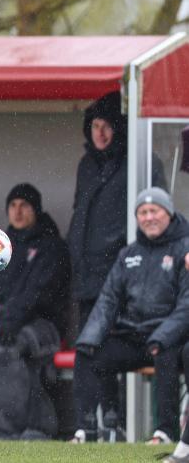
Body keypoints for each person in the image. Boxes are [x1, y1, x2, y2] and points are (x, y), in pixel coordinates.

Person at [72, 188, 189, 445]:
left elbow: (187, 304)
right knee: (90, 353)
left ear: (168, 213)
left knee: (166, 352)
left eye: (154, 211)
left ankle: (165, 432)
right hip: (135, 335)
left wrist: (162, 336)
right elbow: (108, 300)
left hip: (172, 338)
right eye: (143, 212)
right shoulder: (129, 254)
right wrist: (89, 338)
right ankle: (92, 429)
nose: (149, 217)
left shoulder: (185, 249)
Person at [67, 91, 166, 330]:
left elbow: (158, 220)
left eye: (107, 126)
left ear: (119, 128)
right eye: (95, 125)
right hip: (86, 277)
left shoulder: (140, 161)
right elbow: (79, 213)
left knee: (114, 347)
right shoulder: (87, 165)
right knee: (88, 348)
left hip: (121, 276)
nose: (100, 133)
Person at [0, 184, 71, 345]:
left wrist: (11, 320)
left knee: (3, 349)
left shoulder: (52, 247)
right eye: (13, 205)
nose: (18, 211)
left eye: (24, 205)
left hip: (40, 322)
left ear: (35, 209)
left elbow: (38, 295)